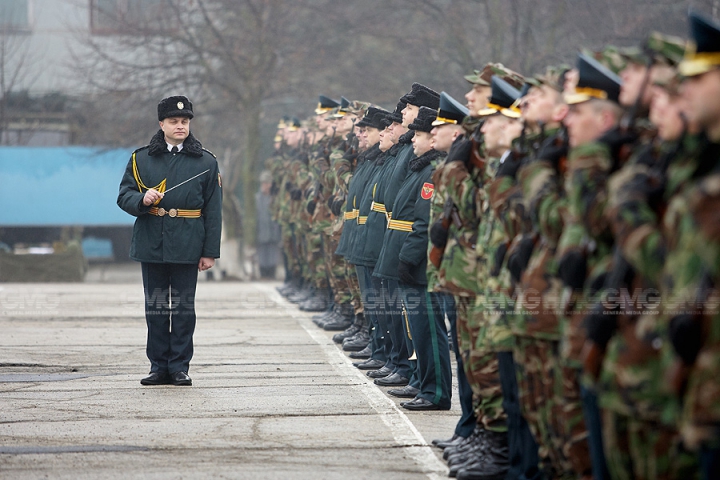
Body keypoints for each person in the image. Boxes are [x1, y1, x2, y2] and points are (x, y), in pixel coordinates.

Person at [117, 95, 222, 387]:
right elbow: (123, 196)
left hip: (189, 243)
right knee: (156, 307)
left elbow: (214, 211)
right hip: (152, 241)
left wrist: (210, 252)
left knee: (184, 308)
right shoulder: (141, 159)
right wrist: (143, 199)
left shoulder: (205, 161)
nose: (180, 126)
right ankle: (158, 366)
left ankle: (179, 367)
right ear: (161, 124)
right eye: (174, 121)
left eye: (185, 121)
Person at [256, 170, 282, 279]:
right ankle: (263, 273)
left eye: (268, 183)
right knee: (262, 255)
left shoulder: (275, 198)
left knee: (272, 254)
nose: (266, 185)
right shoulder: (257, 198)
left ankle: (271, 273)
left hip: (273, 231)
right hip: (261, 231)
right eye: (264, 183)